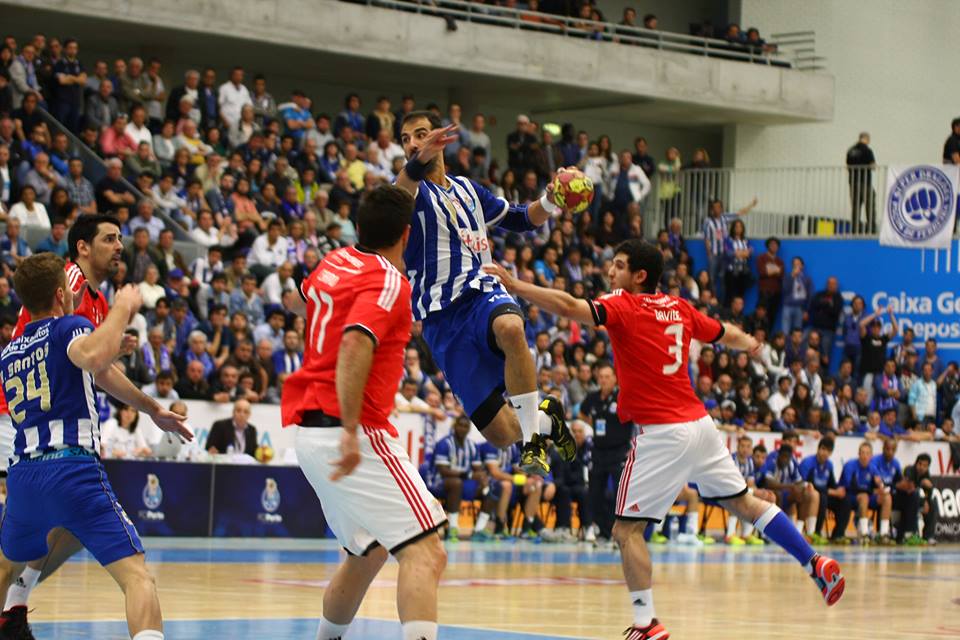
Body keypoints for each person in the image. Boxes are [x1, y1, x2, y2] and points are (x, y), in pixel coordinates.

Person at [484, 240, 844, 639]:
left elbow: (569, 306)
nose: (611, 271)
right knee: (745, 503)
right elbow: (724, 333)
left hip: (662, 433)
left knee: (626, 531)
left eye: (619, 266)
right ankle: (814, 561)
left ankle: (646, 624)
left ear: (639, 276)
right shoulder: (680, 307)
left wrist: (516, 286)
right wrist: (752, 344)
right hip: (701, 426)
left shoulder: (624, 305)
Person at [281, 186, 448, 640]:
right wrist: (352, 430)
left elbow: (300, 300)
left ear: (359, 227)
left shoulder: (333, 262)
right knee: (426, 551)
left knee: (367, 553)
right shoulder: (390, 282)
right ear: (407, 235)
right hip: (353, 431)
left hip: (310, 433)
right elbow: (356, 341)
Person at [0, 252, 191, 640]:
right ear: (61, 294)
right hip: (72, 470)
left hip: (24, 476)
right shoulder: (69, 326)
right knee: (137, 577)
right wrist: (122, 308)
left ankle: (14, 608)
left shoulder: (9, 353)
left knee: (4, 570)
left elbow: (95, 369)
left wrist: (153, 409)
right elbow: (92, 356)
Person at [394, 111, 576, 476]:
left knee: (510, 327)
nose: (413, 143)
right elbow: (400, 190)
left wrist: (551, 199)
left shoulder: (468, 189)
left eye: (421, 134)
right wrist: (417, 160)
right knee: (501, 434)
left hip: (481, 292)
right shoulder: (408, 192)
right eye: (406, 139)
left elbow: (522, 219)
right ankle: (544, 419)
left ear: (441, 139)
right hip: (441, 322)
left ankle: (533, 441)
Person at [578, 362, 631, 542]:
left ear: (615, 379)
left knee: (619, 493)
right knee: (595, 492)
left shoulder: (623, 397)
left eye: (607, 377)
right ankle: (601, 529)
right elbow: (582, 413)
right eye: (601, 377)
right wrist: (593, 425)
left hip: (619, 451)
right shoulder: (592, 397)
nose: (604, 380)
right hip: (598, 451)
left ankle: (619, 530)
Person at [427, 416, 486, 541]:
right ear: (454, 426)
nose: (462, 429)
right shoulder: (444, 444)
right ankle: (453, 528)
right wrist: (468, 475)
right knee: (456, 483)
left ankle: (479, 530)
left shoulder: (472, 445)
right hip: (438, 481)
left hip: (462, 482)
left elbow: (477, 469)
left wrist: (483, 478)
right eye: (460, 425)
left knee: (493, 486)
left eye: (466, 426)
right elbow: (443, 471)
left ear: (469, 429)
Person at [799, 438, 850, 544]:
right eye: (823, 449)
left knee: (845, 500)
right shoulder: (808, 463)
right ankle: (816, 532)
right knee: (821, 497)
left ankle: (838, 535)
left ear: (831, 453)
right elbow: (806, 484)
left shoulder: (829, 465)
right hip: (809, 494)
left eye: (828, 451)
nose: (825, 453)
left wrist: (839, 490)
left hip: (825, 493)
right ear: (818, 449)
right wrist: (832, 492)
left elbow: (832, 484)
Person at [840, 441, 891, 544]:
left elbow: (880, 484)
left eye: (867, 453)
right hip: (850, 496)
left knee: (887, 497)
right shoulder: (850, 465)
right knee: (864, 496)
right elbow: (850, 486)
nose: (865, 456)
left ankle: (884, 534)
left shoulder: (872, 468)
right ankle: (864, 533)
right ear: (858, 454)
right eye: (862, 453)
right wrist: (872, 490)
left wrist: (880, 485)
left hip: (867, 496)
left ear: (871, 456)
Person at [896, 453, 937, 545]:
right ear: (916, 463)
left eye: (925, 466)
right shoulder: (909, 470)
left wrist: (928, 494)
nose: (922, 467)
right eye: (920, 464)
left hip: (915, 500)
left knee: (933, 503)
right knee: (915, 495)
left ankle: (928, 536)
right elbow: (909, 487)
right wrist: (920, 484)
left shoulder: (926, 475)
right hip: (901, 499)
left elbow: (928, 492)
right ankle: (910, 534)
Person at [846, 132, 876, 233]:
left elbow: (848, 166)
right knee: (870, 206)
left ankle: (855, 229)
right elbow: (873, 166)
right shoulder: (867, 150)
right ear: (866, 139)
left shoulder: (850, 151)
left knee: (855, 207)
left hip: (853, 183)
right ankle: (871, 228)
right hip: (865, 182)